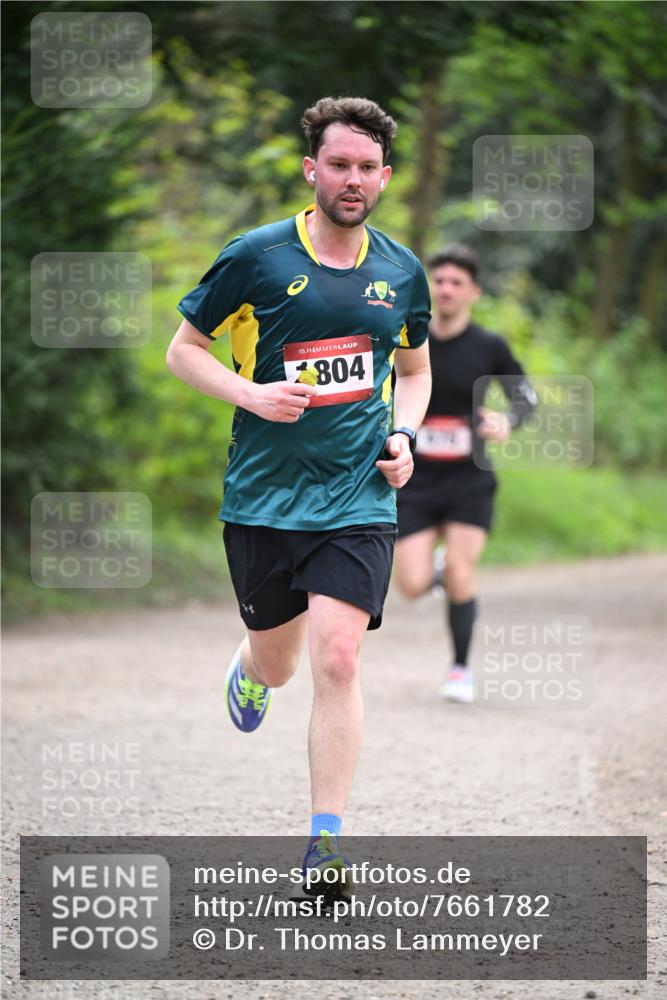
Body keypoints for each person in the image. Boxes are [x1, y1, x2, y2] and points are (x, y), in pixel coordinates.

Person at [166, 97, 431, 900]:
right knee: (280, 664)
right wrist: (249, 395)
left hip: (356, 496)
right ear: (311, 169)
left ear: (384, 177)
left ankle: (325, 845)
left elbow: (413, 374)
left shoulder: (400, 272)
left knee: (339, 657)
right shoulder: (255, 256)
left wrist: (403, 438)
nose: (353, 180)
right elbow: (183, 352)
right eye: (338, 165)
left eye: (367, 168)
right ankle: (249, 667)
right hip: (263, 499)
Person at [393, 244, 536, 704]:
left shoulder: (489, 347)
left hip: (469, 481)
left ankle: (459, 669)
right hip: (415, 478)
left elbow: (526, 398)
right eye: (440, 281)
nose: (447, 289)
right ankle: (437, 571)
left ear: (473, 291)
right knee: (412, 586)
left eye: (457, 283)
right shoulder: (408, 338)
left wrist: (506, 421)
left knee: (460, 573)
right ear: (429, 287)